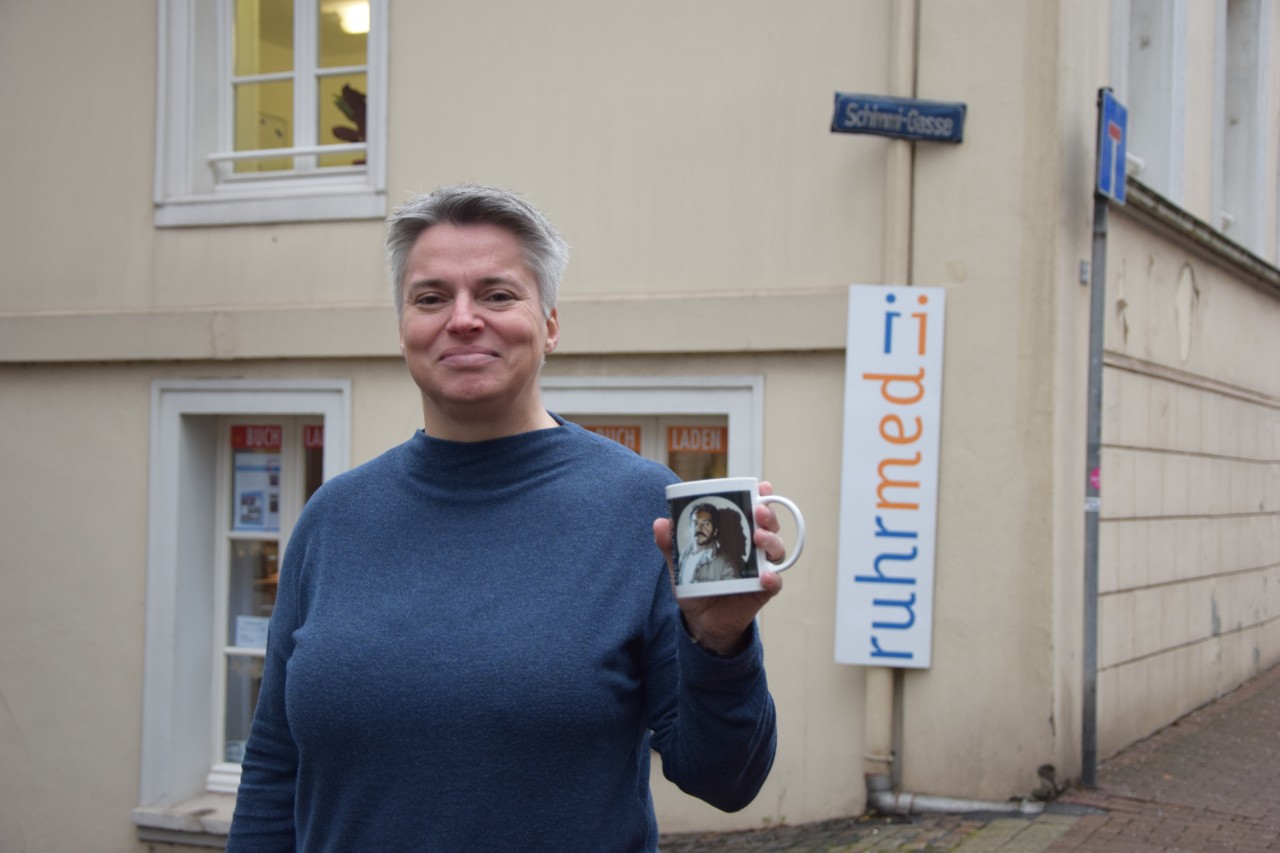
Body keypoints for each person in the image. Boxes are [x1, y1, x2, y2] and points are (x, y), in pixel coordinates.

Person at [226, 184, 791, 852]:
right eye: (431, 297)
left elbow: (726, 779)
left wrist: (719, 647)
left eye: (497, 294)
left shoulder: (643, 509)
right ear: (404, 325)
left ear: (550, 323)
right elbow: (273, 768)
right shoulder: (333, 519)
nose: (463, 319)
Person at [678, 502, 747, 583]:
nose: (699, 528)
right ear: (690, 528)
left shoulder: (725, 564)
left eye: (706, 524)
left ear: (715, 531)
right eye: (695, 523)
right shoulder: (684, 555)